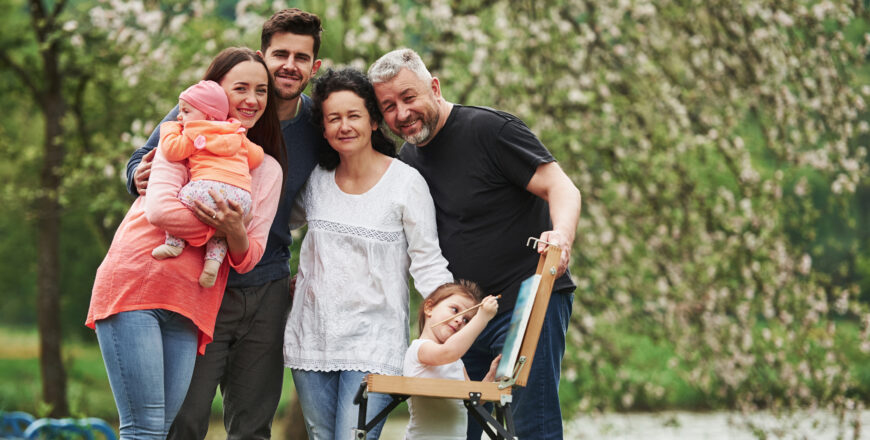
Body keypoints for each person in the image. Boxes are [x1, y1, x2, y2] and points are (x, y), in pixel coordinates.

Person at [124, 9, 327, 439]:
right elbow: (143, 159)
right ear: (262, 56)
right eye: (280, 54)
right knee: (186, 418)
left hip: (265, 282)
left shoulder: (318, 125)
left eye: (301, 57)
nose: (290, 65)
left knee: (253, 424)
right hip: (198, 280)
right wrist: (135, 175)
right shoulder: (205, 109)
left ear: (315, 66)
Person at [369, 48, 582, 439]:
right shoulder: (407, 164)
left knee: (529, 426)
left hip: (526, 301)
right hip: (462, 318)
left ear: (434, 87)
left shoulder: (490, 130)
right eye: (388, 106)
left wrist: (562, 237)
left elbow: (561, 187)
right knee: (454, 427)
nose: (401, 113)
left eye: (409, 97)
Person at [86, 46, 285, 440]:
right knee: (144, 429)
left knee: (161, 430)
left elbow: (249, 257)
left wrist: (238, 234)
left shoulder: (267, 170)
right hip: (137, 284)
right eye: (240, 88)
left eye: (261, 90)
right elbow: (161, 212)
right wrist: (224, 229)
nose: (251, 100)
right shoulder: (183, 136)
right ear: (213, 90)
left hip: (192, 306)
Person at [282, 67, 454, 440]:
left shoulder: (406, 184)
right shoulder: (315, 182)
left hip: (375, 344)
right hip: (313, 341)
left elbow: (427, 263)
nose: (344, 126)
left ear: (374, 121)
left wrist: (452, 321)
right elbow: (275, 222)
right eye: (334, 118)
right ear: (324, 128)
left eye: (354, 115)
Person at [151, 79, 265, 288]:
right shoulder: (236, 133)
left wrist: (168, 128)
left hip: (205, 190)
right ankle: (213, 263)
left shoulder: (195, 133)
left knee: (181, 199)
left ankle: (175, 243)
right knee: (221, 219)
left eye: (185, 111)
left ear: (209, 116)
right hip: (241, 199)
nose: (179, 116)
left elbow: (172, 150)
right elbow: (257, 158)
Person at [403, 281, 501, 439]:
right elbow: (448, 352)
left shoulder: (456, 361)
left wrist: (491, 376)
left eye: (467, 320)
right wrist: (482, 318)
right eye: (455, 309)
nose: (460, 320)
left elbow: (472, 398)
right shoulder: (420, 349)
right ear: (429, 308)